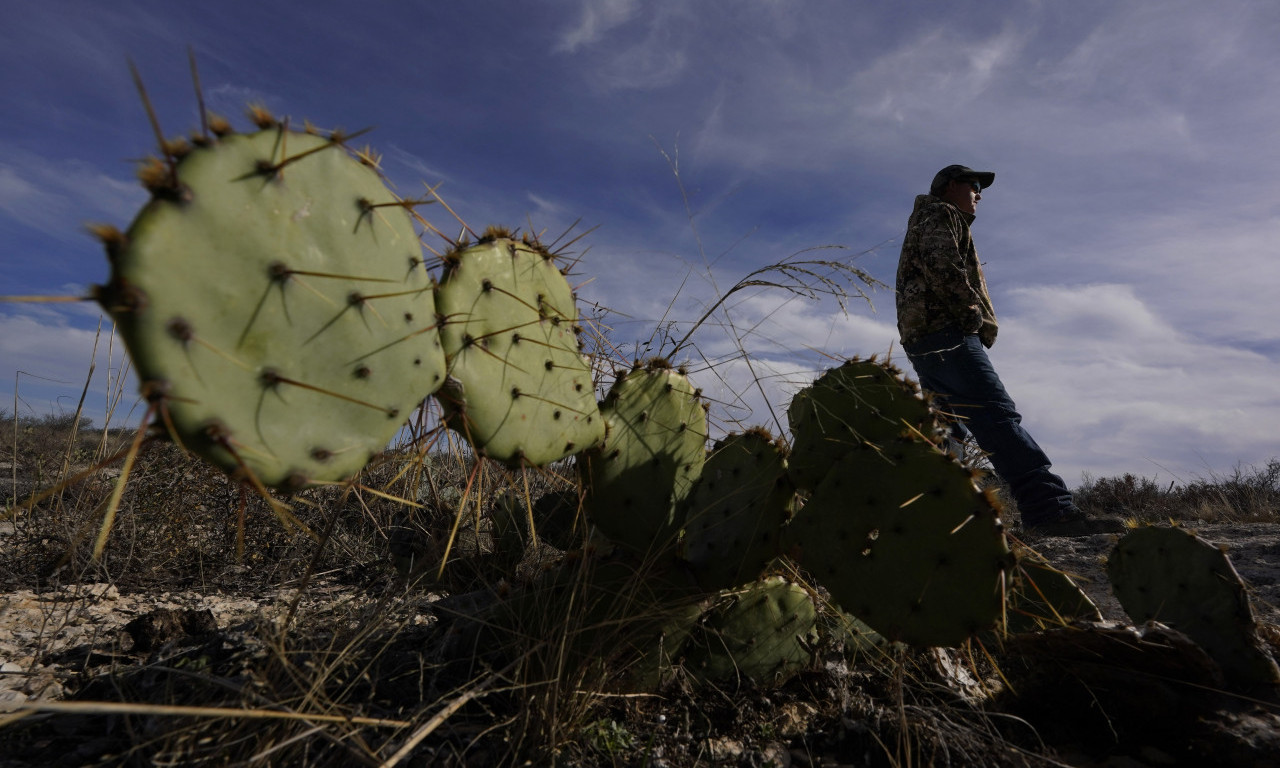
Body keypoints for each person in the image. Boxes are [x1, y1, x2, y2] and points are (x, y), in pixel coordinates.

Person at [895, 164, 1123, 537]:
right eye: (973, 185)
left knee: (946, 431)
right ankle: (1049, 511)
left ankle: (940, 520)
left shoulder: (929, 217)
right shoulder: (940, 212)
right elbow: (943, 266)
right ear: (951, 186)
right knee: (996, 418)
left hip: (924, 337)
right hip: (947, 333)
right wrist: (971, 316)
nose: (979, 194)